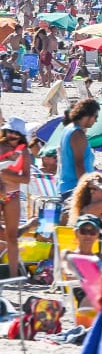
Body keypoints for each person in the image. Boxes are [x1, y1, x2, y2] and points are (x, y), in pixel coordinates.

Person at [0, 116, 30, 279]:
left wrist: (6, 175)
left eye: (16, 133)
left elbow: (26, 179)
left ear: (21, 135)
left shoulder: (23, 151)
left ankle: (13, 277)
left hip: (13, 195)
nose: (12, 135)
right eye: (10, 131)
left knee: (12, 237)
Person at [55, 98, 100, 203]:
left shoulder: (68, 129)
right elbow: (79, 165)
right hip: (75, 188)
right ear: (88, 115)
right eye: (95, 116)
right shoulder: (77, 134)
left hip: (67, 186)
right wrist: (87, 189)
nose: (96, 121)